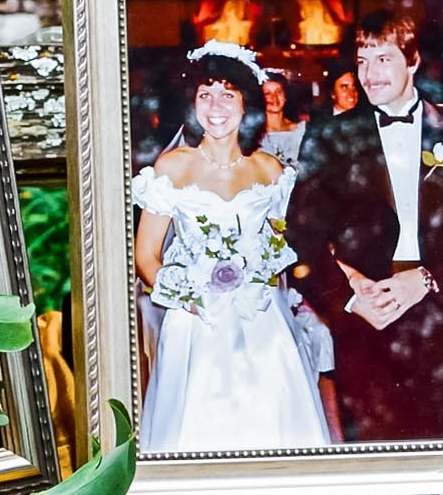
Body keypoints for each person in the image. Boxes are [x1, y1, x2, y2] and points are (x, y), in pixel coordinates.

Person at [284, 2, 443, 442]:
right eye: (362, 61)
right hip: (365, 318)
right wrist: (350, 299)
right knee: (372, 452)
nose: (370, 74)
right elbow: (299, 237)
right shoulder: (331, 136)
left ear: (412, 60)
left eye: (384, 58)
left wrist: (426, 279)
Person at [134, 45, 332, 452]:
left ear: (246, 104)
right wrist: (186, 299)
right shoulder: (173, 167)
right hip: (196, 322)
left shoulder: (270, 170)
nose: (216, 105)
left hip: (261, 318)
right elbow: (146, 255)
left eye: (228, 94)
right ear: (193, 104)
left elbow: (278, 250)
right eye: (205, 94)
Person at [259, 74, 314, 170]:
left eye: (278, 92)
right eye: (267, 93)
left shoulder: (301, 131)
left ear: (285, 96)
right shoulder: (253, 135)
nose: (274, 97)